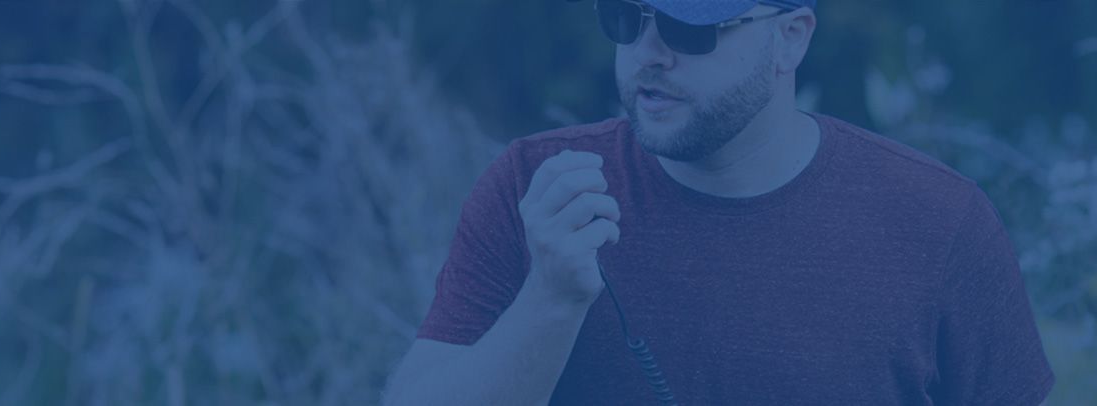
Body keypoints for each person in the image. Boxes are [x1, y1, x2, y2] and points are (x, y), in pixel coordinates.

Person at [382, 0, 1055, 404]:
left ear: (791, 37)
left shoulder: (940, 221)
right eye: (626, 16)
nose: (648, 53)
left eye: (689, 28)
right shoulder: (539, 189)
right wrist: (550, 300)